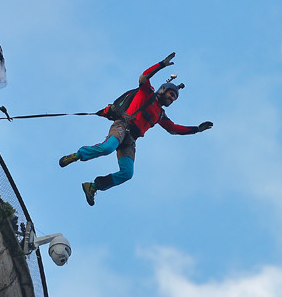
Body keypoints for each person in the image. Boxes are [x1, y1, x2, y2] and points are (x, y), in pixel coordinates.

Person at [59, 52, 213, 206]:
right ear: (162, 90)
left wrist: (196, 129)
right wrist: (161, 65)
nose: (172, 98)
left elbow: (173, 128)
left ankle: (93, 186)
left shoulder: (160, 115)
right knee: (107, 148)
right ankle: (77, 155)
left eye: (174, 98)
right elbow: (144, 77)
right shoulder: (147, 93)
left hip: (131, 140)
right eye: (171, 94)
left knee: (127, 173)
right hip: (122, 126)